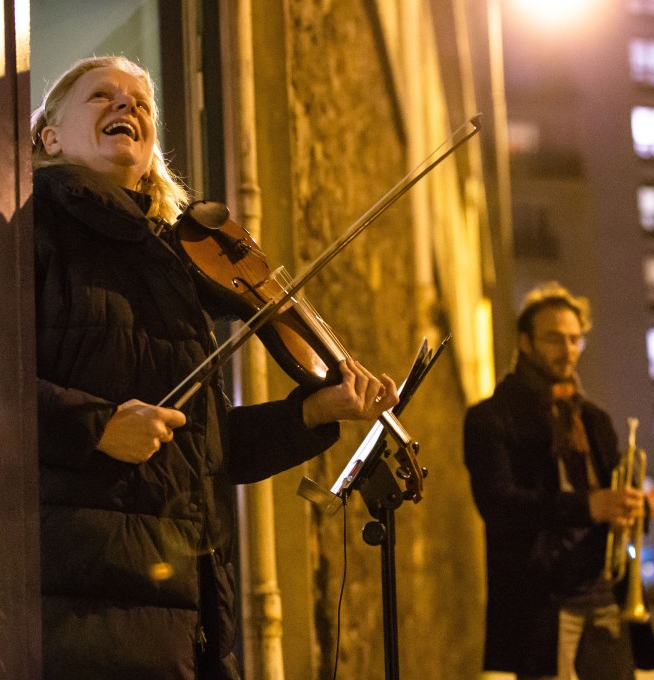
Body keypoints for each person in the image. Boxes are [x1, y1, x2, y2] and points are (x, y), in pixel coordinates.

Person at [31, 55, 398, 679]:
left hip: (187, 607)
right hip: (83, 609)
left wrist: (314, 411)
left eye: (142, 104)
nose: (129, 108)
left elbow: (205, 449)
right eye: (103, 97)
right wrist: (95, 427)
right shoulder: (29, 229)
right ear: (50, 136)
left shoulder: (169, 265)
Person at [463, 282, 646, 680]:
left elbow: (621, 496)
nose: (568, 350)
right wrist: (588, 507)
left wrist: (635, 509)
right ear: (525, 343)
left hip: (605, 597)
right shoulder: (491, 418)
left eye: (575, 339)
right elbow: (499, 505)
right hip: (543, 604)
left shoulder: (594, 419)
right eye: (554, 339)